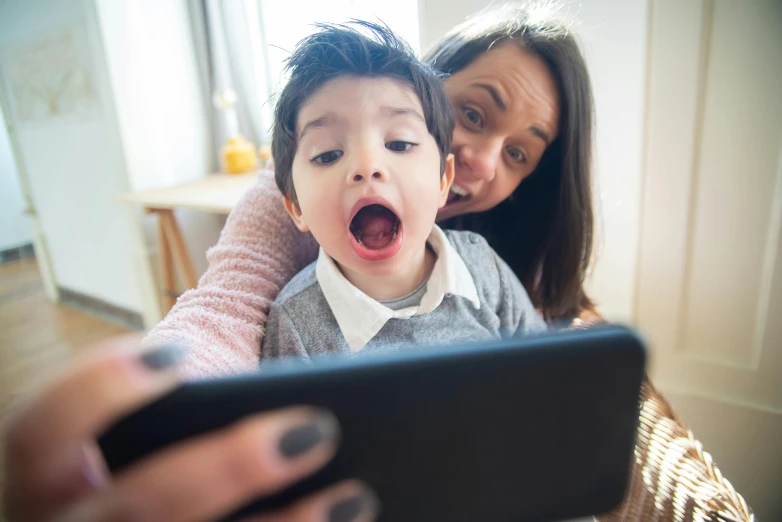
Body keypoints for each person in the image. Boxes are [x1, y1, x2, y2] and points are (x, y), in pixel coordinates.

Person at [4, 4, 750, 522]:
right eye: (474, 112)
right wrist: (163, 419)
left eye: (519, 152)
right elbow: (226, 310)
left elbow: (543, 370)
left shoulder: (487, 259)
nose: (482, 161)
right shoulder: (300, 209)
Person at [263, 22, 546, 360]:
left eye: (399, 143)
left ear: (443, 180)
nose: (367, 166)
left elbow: (547, 370)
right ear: (295, 205)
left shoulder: (483, 268)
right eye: (328, 155)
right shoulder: (295, 324)